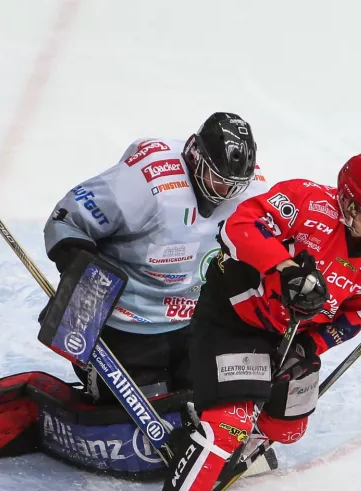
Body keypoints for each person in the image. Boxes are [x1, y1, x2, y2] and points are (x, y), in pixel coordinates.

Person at [137, 151, 361, 491]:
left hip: (294, 336)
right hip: (238, 317)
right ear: (348, 203)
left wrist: (312, 346)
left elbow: (359, 311)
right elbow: (237, 227)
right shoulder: (305, 202)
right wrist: (285, 267)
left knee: (288, 426)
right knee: (226, 426)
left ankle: (246, 442)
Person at [44, 112, 268, 404]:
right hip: (125, 330)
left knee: (211, 400)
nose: (227, 193)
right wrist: (83, 279)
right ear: (195, 157)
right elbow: (66, 220)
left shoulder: (255, 192)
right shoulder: (146, 181)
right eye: (218, 180)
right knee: (148, 408)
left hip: (197, 324)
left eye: (235, 184)